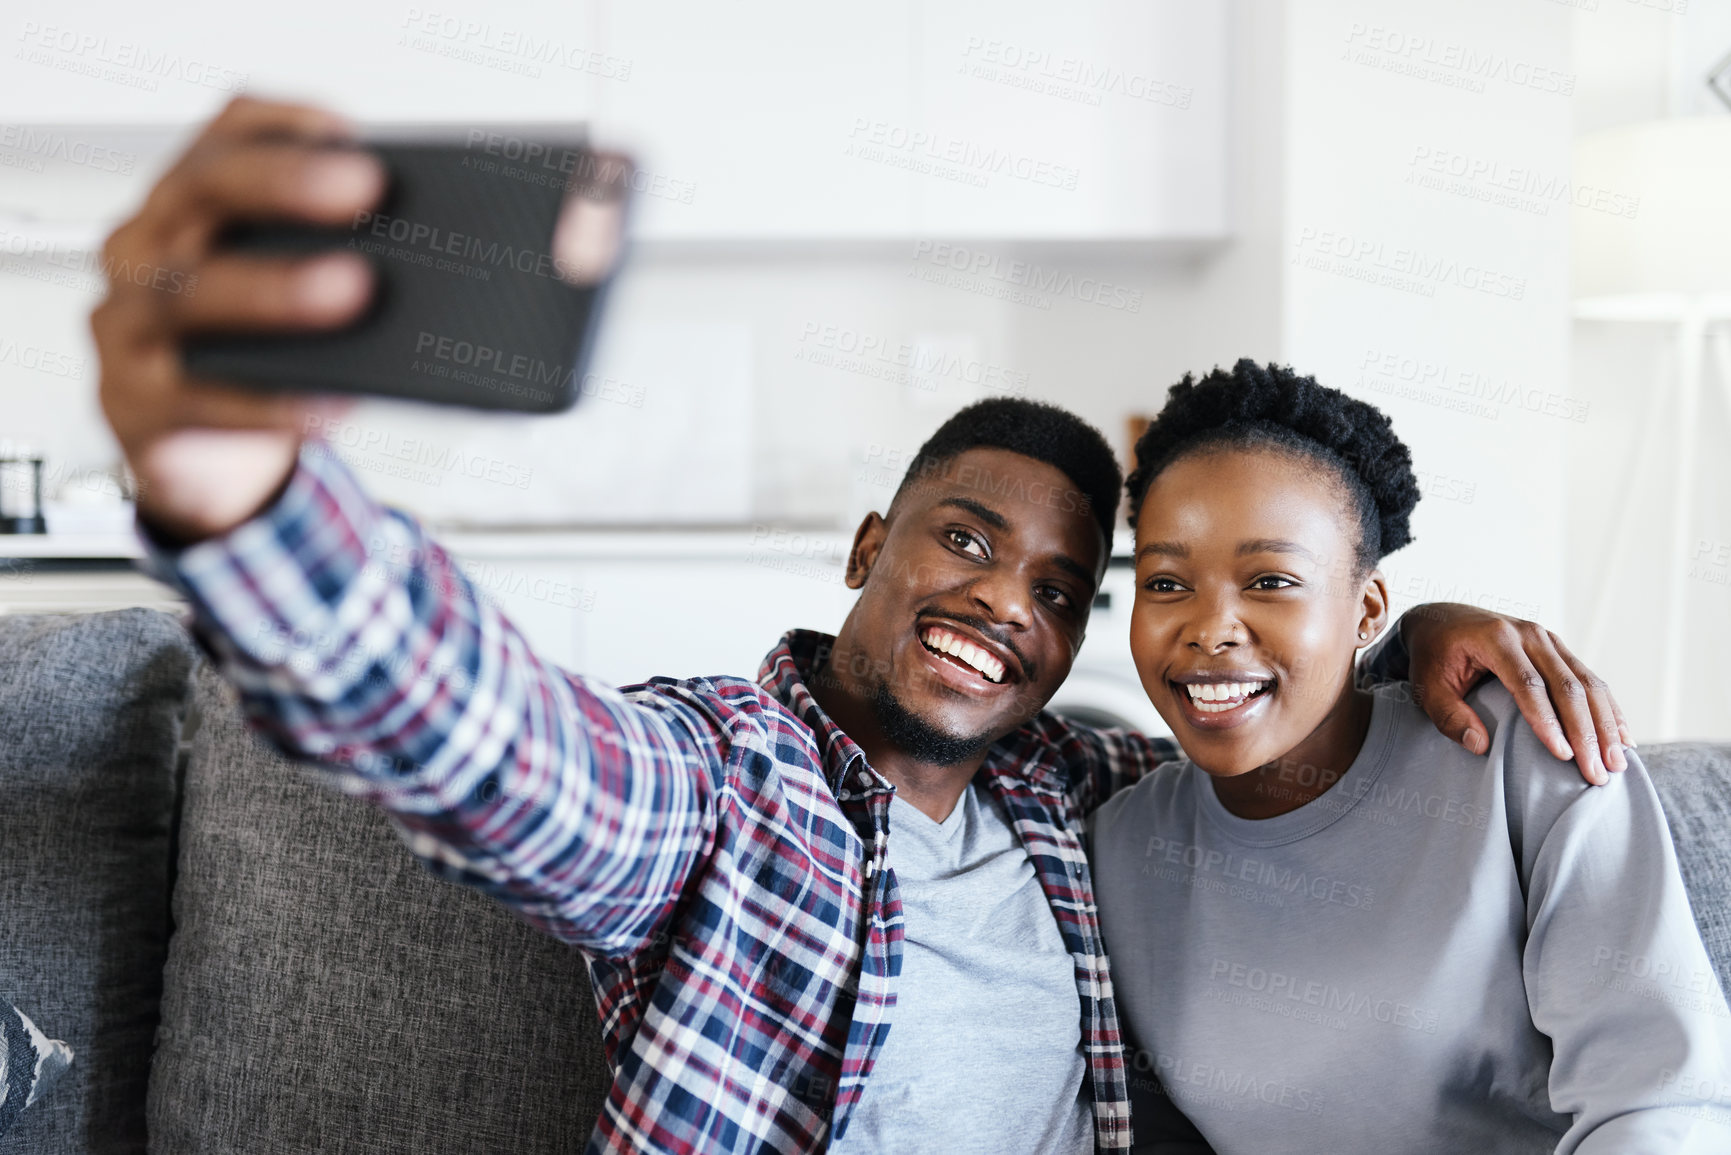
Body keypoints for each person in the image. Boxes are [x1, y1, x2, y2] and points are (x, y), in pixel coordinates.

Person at [92, 97, 1632, 1155]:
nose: (997, 604)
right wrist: (248, 499)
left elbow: (1277, 728)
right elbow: (514, 758)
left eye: (1052, 585)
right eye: (963, 539)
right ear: (866, 546)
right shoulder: (722, 779)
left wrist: (1415, 627)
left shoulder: (1084, 797)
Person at [1091, 360, 1731, 1154]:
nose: (1210, 626)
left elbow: (1657, 1102)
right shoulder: (1119, 848)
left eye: (1269, 579)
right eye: (1165, 582)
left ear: (1366, 610)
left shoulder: (1520, 751)